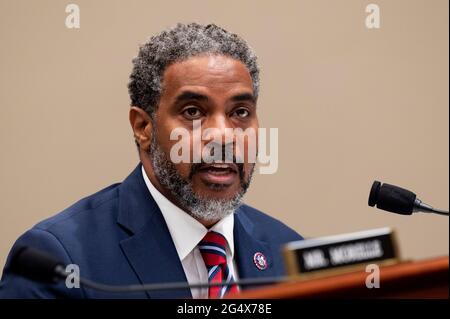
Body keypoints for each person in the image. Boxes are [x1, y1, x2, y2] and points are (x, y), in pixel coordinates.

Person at [0, 23, 303, 299]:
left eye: (240, 113)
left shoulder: (290, 256)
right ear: (143, 127)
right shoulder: (61, 260)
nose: (223, 136)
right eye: (193, 112)